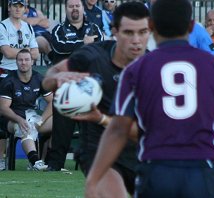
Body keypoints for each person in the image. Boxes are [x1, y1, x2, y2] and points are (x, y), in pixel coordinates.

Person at [85, 0, 214, 197]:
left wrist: (93, 178)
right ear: (192, 26)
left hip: (156, 170)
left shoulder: (136, 70)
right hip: (203, 170)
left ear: (151, 26)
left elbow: (118, 129)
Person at [43, 2, 150, 197]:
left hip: (139, 152)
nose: (137, 40)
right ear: (115, 32)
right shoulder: (93, 55)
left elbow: (145, 132)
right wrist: (56, 78)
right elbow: (50, 77)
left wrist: (100, 118)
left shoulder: (153, 70)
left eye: (143, 32)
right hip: (98, 150)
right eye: (128, 33)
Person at [44, 0, 103, 171]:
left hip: (87, 87)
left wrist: (83, 48)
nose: (74, 8)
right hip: (64, 88)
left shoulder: (94, 29)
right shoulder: (58, 30)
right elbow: (59, 48)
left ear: (83, 8)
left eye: (77, 5)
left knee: (91, 131)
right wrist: (83, 44)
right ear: (66, 9)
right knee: (61, 132)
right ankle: (55, 166)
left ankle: (93, 167)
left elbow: (98, 51)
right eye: (71, 6)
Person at [0, 49, 53, 171]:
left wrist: (41, 120)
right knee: (24, 128)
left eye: (26, 60)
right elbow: (3, 108)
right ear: (16, 62)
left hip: (33, 118)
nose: (23, 63)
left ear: (32, 62)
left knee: (61, 122)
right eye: (20, 60)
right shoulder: (8, 80)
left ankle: (50, 160)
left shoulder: (39, 78)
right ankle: (35, 162)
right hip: (11, 119)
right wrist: (19, 120)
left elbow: (52, 101)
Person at [0, 0, 39, 75]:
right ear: (9, 8)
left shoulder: (28, 27)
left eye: (21, 6)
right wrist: (27, 50)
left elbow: (36, 54)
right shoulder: (2, 26)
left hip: (26, 72)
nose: (18, 9)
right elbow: (8, 53)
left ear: (24, 9)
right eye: (15, 6)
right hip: (7, 71)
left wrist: (15, 51)